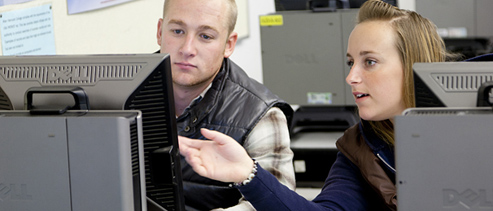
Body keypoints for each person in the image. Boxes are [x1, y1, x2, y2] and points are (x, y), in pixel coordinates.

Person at [178, 0, 456, 210]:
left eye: (369, 62)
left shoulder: (472, 131)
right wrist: (248, 175)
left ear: (414, 68)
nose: (351, 77)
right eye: (351, 62)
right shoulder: (358, 147)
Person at [155, 0, 296, 210]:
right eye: (177, 31)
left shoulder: (261, 113)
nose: (187, 48)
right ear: (159, 32)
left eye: (205, 36)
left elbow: (277, 205)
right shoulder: (121, 91)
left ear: (229, 44)